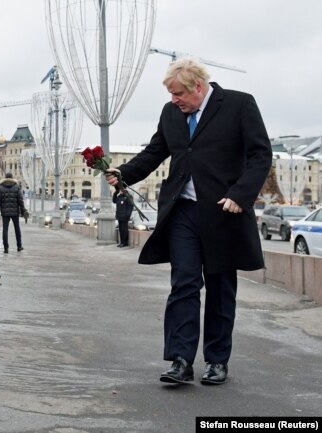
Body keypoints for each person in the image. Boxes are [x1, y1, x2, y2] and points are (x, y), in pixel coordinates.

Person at [105, 57, 272, 386]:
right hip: (182, 212)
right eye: (170, 94)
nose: (173, 100)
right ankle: (180, 359)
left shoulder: (239, 105)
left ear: (198, 86)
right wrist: (124, 174)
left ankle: (217, 361)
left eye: (178, 93)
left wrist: (241, 194)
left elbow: (260, 154)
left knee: (221, 289)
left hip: (224, 213)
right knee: (183, 283)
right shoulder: (172, 114)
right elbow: (155, 152)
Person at [0, 172, 27, 253]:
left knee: (5, 229)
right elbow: (20, 200)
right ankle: (19, 246)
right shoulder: (16, 187)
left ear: (5, 178)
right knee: (17, 229)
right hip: (15, 212)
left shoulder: (1, 187)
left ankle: (6, 248)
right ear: (12, 178)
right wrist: (23, 211)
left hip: (5, 212)